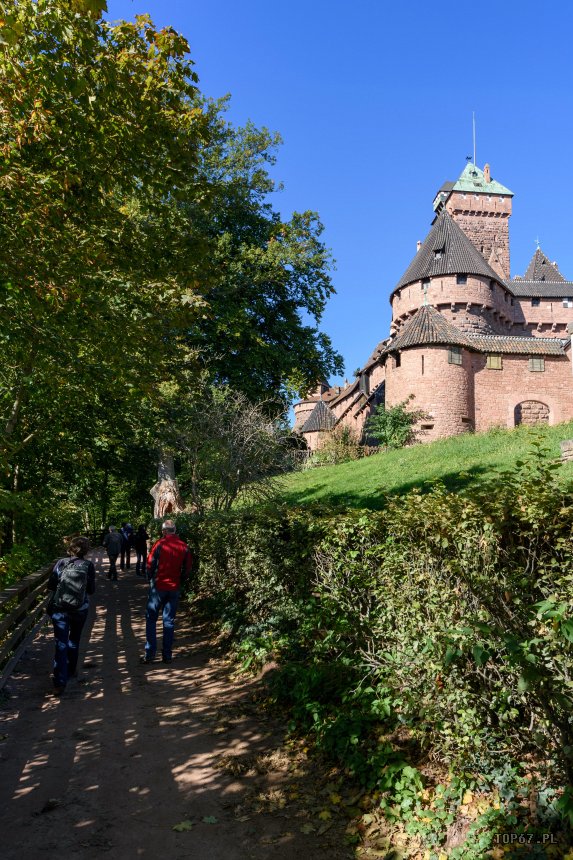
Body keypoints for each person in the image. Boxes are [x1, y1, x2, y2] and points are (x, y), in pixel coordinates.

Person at [47, 536, 96, 695]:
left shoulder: (61, 563)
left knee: (60, 644)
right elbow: (90, 590)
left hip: (60, 609)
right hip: (80, 610)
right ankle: (71, 670)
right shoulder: (88, 565)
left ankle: (59, 683)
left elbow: (51, 585)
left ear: (71, 548)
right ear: (86, 550)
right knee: (74, 639)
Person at [141, 519, 192, 665]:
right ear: (174, 530)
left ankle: (150, 654)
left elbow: (150, 563)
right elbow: (187, 567)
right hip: (174, 587)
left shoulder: (160, 544)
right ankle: (167, 655)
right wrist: (180, 579)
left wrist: (149, 578)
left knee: (151, 619)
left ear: (164, 531)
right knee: (168, 621)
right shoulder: (184, 546)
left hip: (159, 586)